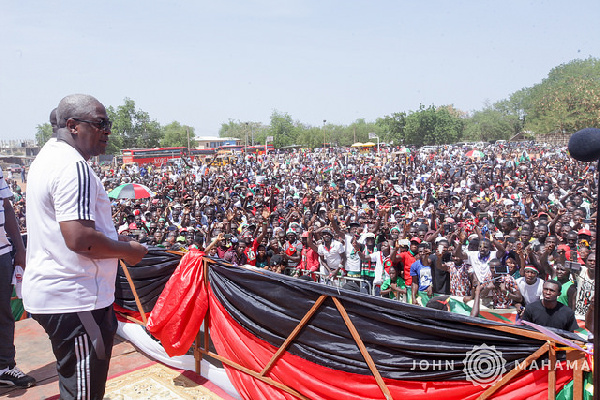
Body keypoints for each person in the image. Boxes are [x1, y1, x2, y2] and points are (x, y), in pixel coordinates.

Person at [23, 94, 148, 400]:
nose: (107, 130)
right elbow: (80, 239)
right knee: (83, 393)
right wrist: (127, 250)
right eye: (99, 123)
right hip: (75, 299)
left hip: (64, 295)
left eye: (108, 124)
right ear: (72, 126)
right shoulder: (72, 166)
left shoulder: (49, 156)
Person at [0, 167, 35, 388]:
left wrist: (19, 248)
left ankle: (4, 367)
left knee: (3, 313)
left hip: (1, 252)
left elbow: (6, 206)